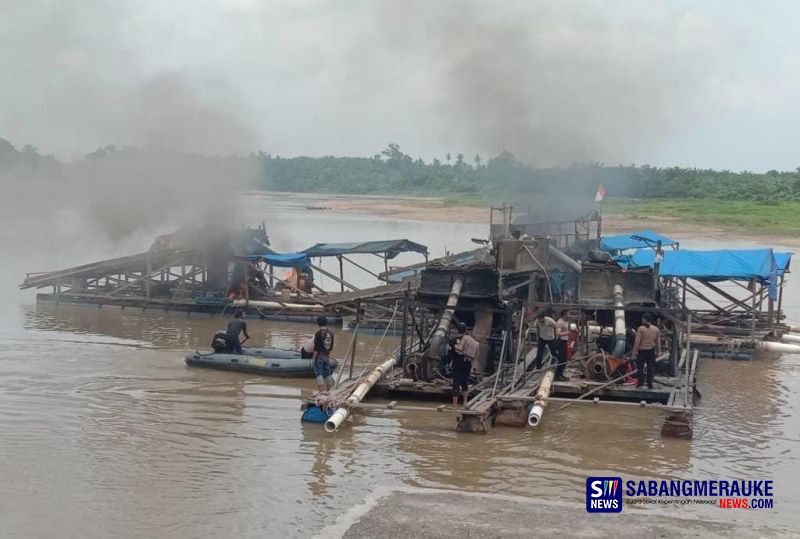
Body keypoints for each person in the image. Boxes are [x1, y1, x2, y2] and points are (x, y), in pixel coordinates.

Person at [632, 313, 660, 389]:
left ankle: (640, 384)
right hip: (651, 351)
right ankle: (650, 384)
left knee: (640, 368)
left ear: (644, 319)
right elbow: (658, 342)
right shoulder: (656, 329)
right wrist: (658, 351)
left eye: (642, 319)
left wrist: (634, 351)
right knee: (651, 368)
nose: (642, 320)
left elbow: (637, 341)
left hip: (642, 351)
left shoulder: (641, 328)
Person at [449, 323, 471, 408]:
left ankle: (454, 405)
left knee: (456, 383)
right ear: (465, 330)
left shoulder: (454, 340)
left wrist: (449, 362)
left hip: (456, 364)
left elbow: (450, 353)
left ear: (457, 330)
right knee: (464, 382)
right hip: (466, 364)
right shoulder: (469, 340)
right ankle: (465, 402)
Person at [312, 316, 335, 393]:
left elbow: (316, 348)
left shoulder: (318, 334)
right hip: (327, 355)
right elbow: (331, 346)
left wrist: (313, 359)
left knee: (319, 374)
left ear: (318, 323)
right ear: (326, 322)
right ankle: (328, 390)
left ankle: (321, 392)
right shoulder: (331, 333)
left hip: (319, 356)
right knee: (327, 373)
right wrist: (328, 356)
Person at [554, 310, 570, 381]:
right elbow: (558, 333)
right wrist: (567, 333)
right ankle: (558, 375)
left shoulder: (565, 321)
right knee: (561, 359)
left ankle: (561, 374)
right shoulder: (560, 322)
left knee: (564, 358)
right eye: (568, 314)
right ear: (564, 314)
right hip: (560, 342)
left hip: (564, 341)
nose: (569, 315)